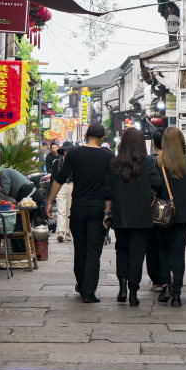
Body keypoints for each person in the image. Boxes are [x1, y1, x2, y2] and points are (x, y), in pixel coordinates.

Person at [46, 123, 112, 303]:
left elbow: (60, 178)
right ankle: (88, 291)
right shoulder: (108, 156)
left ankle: (81, 283)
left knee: (80, 247)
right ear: (102, 139)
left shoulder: (74, 153)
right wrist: (108, 211)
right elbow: (109, 187)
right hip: (98, 209)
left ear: (86, 136)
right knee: (93, 250)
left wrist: (49, 201)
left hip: (78, 208)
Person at [104, 127, 162, 307]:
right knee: (137, 254)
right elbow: (158, 182)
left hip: (120, 216)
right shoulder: (148, 162)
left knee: (122, 250)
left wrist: (107, 213)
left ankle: (122, 287)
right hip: (142, 217)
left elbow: (108, 190)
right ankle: (133, 293)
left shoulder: (114, 163)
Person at [155, 127, 186, 308]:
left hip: (163, 215)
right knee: (179, 253)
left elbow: (152, 187)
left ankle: (166, 285)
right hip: (185, 214)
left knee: (164, 251)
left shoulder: (158, 163)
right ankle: (177, 294)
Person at [146, 128, 164, 292]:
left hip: (152, 208)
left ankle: (157, 280)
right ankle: (169, 276)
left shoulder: (148, 161)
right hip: (173, 210)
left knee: (152, 246)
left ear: (153, 142)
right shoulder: (179, 160)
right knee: (170, 245)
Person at [51, 141, 74, 242]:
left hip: (72, 186)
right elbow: (53, 178)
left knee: (70, 210)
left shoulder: (75, 163)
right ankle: (60, 231)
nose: (67, 152)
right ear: (63, 151)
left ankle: (69, 232)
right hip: (61, 186)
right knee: (61, 210)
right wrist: (50, 193)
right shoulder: (57, 163)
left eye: (69, 151)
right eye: (66, 150)